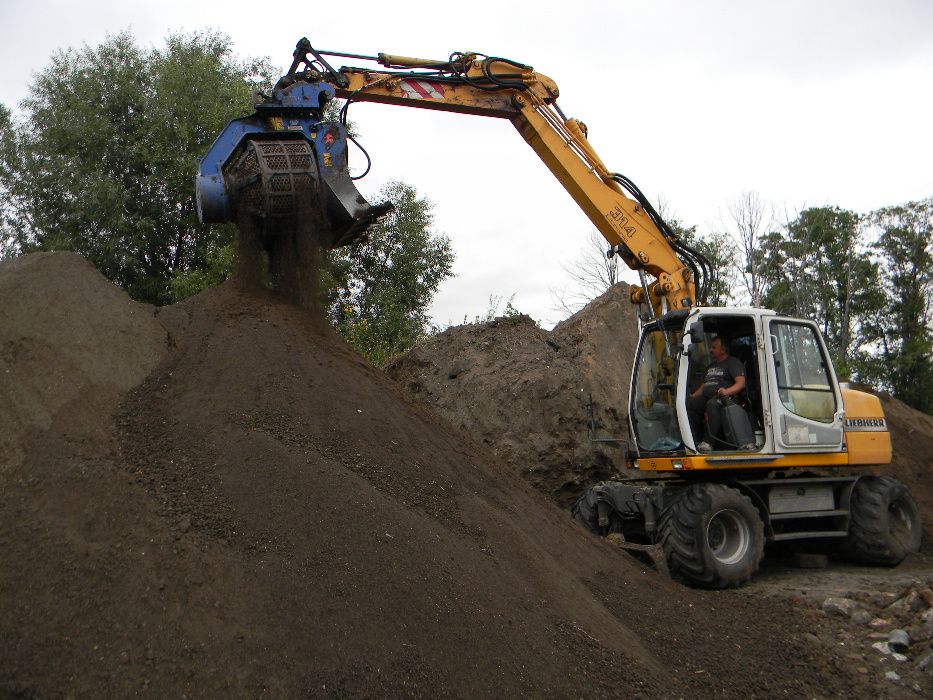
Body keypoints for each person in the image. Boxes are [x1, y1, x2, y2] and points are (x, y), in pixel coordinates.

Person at [687, 336, 746, 451]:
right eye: (710, 347)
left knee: (712, 404)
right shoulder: (711, 366)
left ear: (723, 349)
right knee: (691, 405)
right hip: (708, 396)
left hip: (727, 397)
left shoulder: (732, 362)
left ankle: (708, 442)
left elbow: (741, 383)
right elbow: (705, 385)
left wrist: (726, 391)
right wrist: (693, 396)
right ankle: (696, 439)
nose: (710, 350)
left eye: (714, 347)